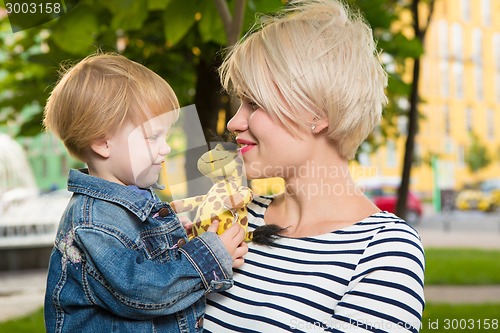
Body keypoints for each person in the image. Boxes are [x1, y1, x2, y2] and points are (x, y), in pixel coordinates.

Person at [204, 0, 425, 332]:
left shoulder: (383, 251)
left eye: (254, 103)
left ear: (317, 114)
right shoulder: (228, 218)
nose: (234, 123)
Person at [43, 53, 248, 333]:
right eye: (153, 137)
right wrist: (211, 257)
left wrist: (179, 241)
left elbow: (148, 258)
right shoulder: (92, 224)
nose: (166, 148)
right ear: (103, 143)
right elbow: (142, 291)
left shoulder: (135, 197)